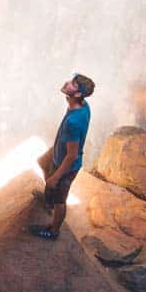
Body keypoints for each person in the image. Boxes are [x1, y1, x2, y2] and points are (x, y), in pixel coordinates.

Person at [30, 73, 95, 240]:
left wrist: (57, 177)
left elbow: (72, 156)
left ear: (78, 94)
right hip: (58, 152)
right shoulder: (83, 105)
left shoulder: (73, 122)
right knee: (42, 162)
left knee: (61, 200)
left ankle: (53, 231)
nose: (67, 83)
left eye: (73, 84)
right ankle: (48, 198)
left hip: (66, 164)